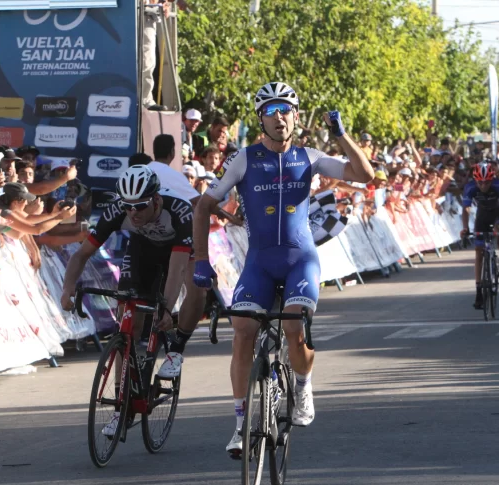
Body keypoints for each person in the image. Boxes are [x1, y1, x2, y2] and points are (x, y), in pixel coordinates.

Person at [191, 82, 374, 456]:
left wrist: (341, 136)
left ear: (295, 116)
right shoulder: (243, 158)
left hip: (299, 259)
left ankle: (304, 387)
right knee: (242, 331)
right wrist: (200, 260)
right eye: (271, 111)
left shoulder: (309, 156)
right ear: (261, 118)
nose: (279, 117)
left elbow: (364, 174)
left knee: (293, 327)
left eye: (285, 110)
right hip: (259, 261)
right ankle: (241, 425)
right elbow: (201, 206)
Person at [60, 165, 195, 435]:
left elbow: (178, 268)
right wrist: (67, 289)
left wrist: (167, 309)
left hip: (175, 253)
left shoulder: (179, 212)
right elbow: (81, 254)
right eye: (128, 206)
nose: (133, 212)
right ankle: (122, 404)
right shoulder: (119, 211)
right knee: (128, 320)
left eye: (141, 206)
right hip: (142, 250)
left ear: (156, 200)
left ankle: (174, 346)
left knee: (194, 286)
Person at [460, 162, 499, 310]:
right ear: (475, 180)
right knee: (478, 252)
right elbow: (466, 209)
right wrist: (465, 228)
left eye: (487, 182)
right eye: (480, 182)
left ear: (492, 179)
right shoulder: (470, 187)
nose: (483, 185)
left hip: (498, 214)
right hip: (482, 217)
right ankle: (478, 291)